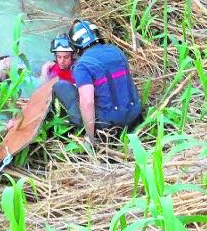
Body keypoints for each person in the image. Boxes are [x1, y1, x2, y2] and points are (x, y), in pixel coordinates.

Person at [54, 19, 142, 147]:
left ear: (76, 47)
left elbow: (87, 102)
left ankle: (62, 129)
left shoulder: (82, 65)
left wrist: (91, 137)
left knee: (60, 86)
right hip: (133, 115)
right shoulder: (116, 51)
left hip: (109, 125)